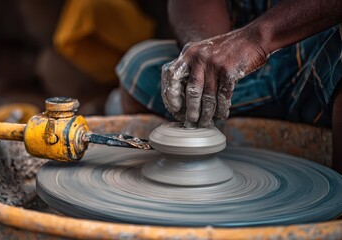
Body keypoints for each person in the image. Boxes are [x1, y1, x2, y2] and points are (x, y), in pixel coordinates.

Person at [116, 0, 342, 172]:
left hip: (320, 52)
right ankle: (176, 172)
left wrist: (257, 38)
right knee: (140, 66)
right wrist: (207, 54)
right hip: (238, 57)